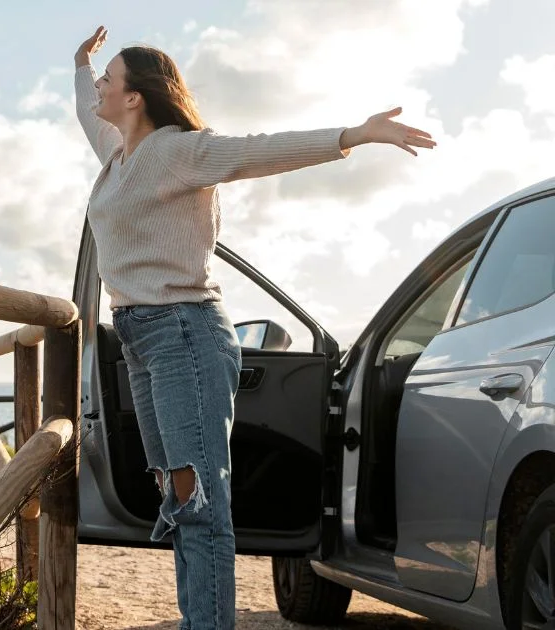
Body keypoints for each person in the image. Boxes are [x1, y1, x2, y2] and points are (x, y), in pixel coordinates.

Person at [72, 25, 434, 630]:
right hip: (140, 335)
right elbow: (88, 113)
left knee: (199, 501)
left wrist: (354, 135)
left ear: (135, 96)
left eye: (110, 81)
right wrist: (80, 65)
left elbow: (259, 150)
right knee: (177, 494)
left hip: (182, 333)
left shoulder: (177, 150)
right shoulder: (118, 153)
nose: (101, 90)